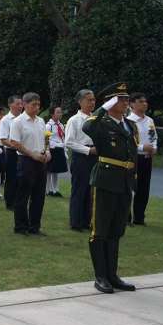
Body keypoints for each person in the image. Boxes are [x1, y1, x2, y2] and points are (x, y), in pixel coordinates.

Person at [84, 82, 138, 293]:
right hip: (105, 180)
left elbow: (132, 154)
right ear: (110, 102)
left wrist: (133, 178)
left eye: (126, 99)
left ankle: (113, 275)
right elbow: (87, 127)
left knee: (116, 230)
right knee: (100, 230)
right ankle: (100, 277)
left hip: (124, 181)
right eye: (120, 99)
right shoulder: (101, 122)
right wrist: (103, 108)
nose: (125, 102)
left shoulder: (130, 125)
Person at [10, 92, 50, 235]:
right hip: (26, 160)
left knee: (39, 196)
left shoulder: (40, 121)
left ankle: (35, 226)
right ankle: (20, 226)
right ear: (25, 104)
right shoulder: (18, 121)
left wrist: (47, 152)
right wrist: (32, 154)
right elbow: (15, 142)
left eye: (38, 104)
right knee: (23, 195)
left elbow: (45, 139)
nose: (37, 107)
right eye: (33, 104)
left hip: (40, 160)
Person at [65, 89, 98, 231]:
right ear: (80, 102)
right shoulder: (74, 120)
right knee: (79, 190)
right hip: (82, 157)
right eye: (89, 100)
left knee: (91, 191)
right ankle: (76, 222)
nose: (92, 103)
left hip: (95, 156)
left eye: (93, 100)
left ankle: (86, 220)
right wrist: (88, 150)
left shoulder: (95, 119)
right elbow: (69, 142)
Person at [127, 92, 157, 225]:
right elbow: (128, 141)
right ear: (132, 104)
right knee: (130, 188)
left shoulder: (149, 120)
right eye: (141, 101)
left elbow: (153, 136)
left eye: (145, 101)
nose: (145, 104)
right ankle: (126, 217)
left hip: (146, 158)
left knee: (144, 189)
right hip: (133, 158)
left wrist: (154, 147)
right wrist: (142, 147)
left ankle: (139, 217)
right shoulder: (128, 121)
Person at [0, 94, 24, 211]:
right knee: (11, 177)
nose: (20, 106)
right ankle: (10, 202)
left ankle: (20, 201)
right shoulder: (5, 120)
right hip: (12, 152)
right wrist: (17, 146)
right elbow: (4, 139)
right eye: (17, 104)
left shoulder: (24, 118)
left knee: (22, 178)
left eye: (21, 104)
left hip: (23, 152)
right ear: (10, 105)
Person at [46, 106, 68, 197]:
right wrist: (49, 150)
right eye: (58, 112)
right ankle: (48, 190)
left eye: (60, 112)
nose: (60, 114)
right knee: (49, 171)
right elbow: (47, 139)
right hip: (52, 150)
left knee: (56, 171)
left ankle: (55, 189)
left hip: (60, 150)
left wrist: (65, 150)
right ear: (52, 114)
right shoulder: (49, 126)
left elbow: (62, 138)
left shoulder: (61, 125)